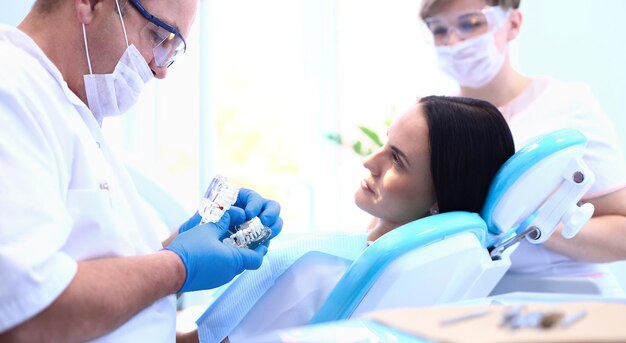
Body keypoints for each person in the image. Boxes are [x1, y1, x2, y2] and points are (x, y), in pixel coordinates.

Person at [0, 0, 282, 342]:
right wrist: (177, 266)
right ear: (89, 4)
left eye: (173, 49)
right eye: (158, 35)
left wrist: (185, 241)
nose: (160, 68)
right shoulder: (11, 91)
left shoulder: (72, 109)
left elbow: (95, 270)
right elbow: (24, 314)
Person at [195, 95, 515, 342]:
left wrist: (176, 270)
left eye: (398, 161)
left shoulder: (317, 270)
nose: (369, 161)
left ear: (440, 197)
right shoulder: (418, 268)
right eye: (385, 143)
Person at [419, 0, 626, 295]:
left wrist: (531, 222)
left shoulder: (567, 105)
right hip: (478, 298)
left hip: (573, 294)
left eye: (470, 23)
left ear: (513, 24)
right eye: (439, 30)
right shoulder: (431, 124)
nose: (453, 42)